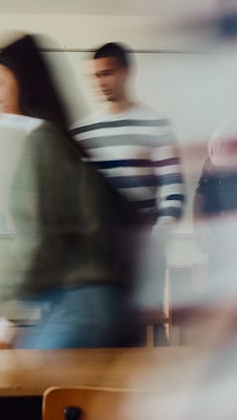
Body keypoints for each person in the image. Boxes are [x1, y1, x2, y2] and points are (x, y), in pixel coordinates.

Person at [0, 34, 134, 349]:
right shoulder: (51, 138)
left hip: (79, 306)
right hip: (78, 304)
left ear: (22, 83)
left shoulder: (43, 141)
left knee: (13, 386)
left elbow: (39, 243)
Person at [72, 42, 186, 318]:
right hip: (98, 258)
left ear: (126, 72)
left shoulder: (155, 124)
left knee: (142, 332)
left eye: (107, 73)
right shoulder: (83, 132)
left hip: (143, 254)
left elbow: (174, 191)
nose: (101, 82)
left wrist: (156, 240)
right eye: (96, 76)